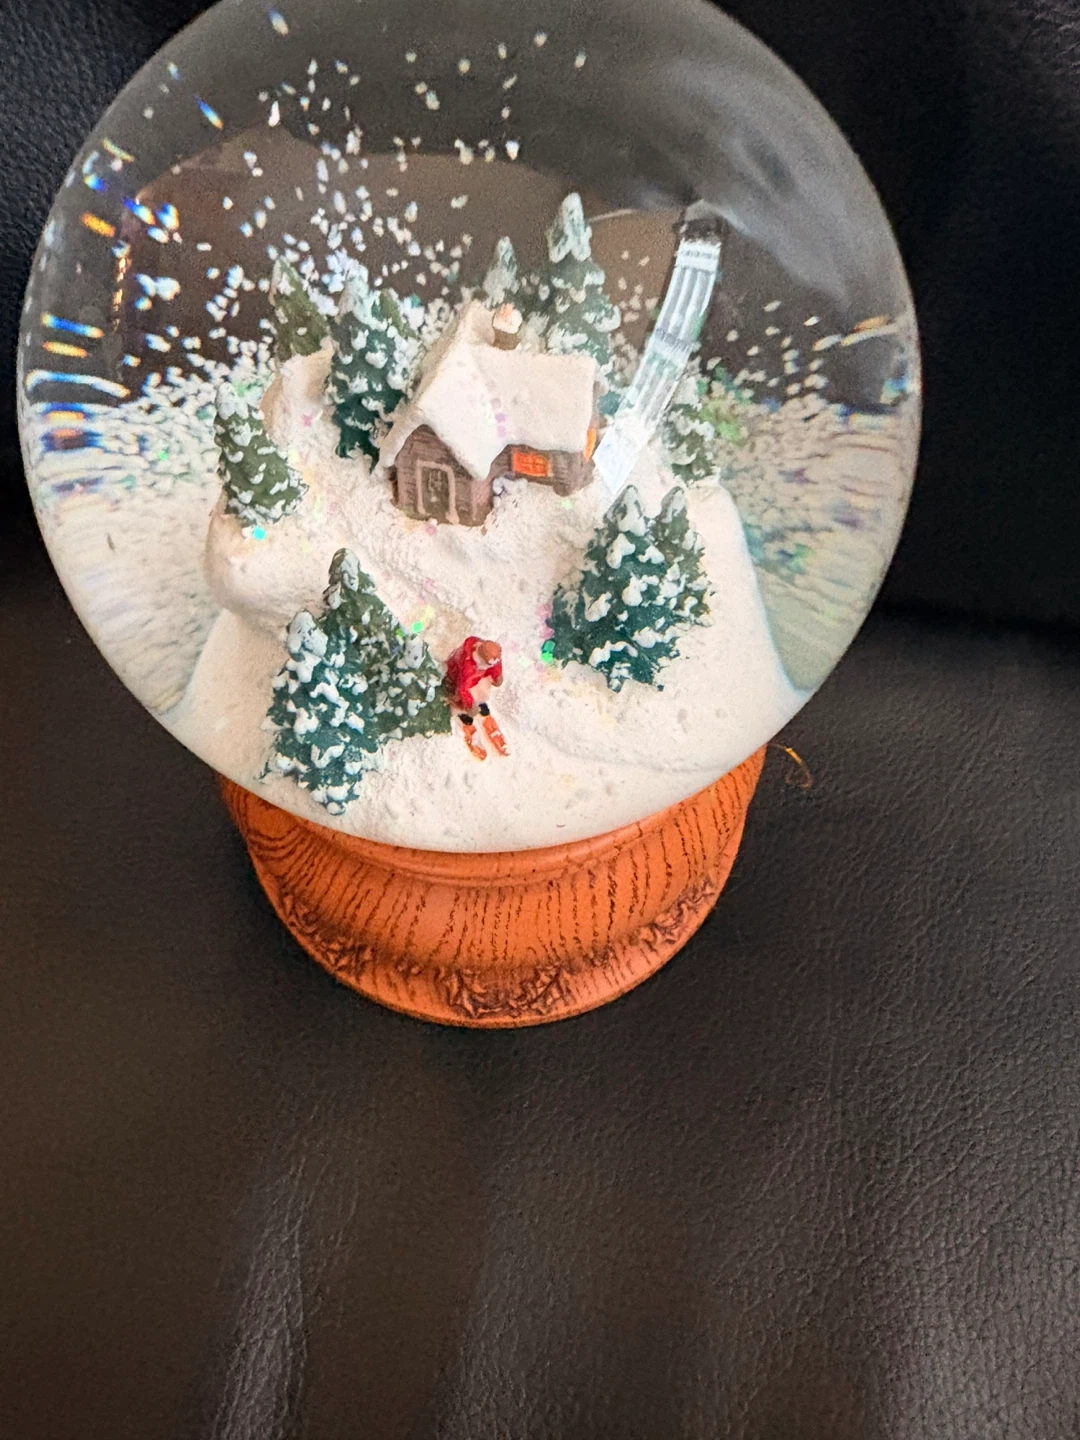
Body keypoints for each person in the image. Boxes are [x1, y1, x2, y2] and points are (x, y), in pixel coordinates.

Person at [444, 637, 509, 760]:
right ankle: (468, 723)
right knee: (462, 705)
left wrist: (497, 676)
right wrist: (469, 704)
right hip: (456, 681)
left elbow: (495, 665)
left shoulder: (489, 657)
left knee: (480, 695)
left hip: (476, 681)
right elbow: (462, 688)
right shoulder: (468, 664)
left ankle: (484, 713)